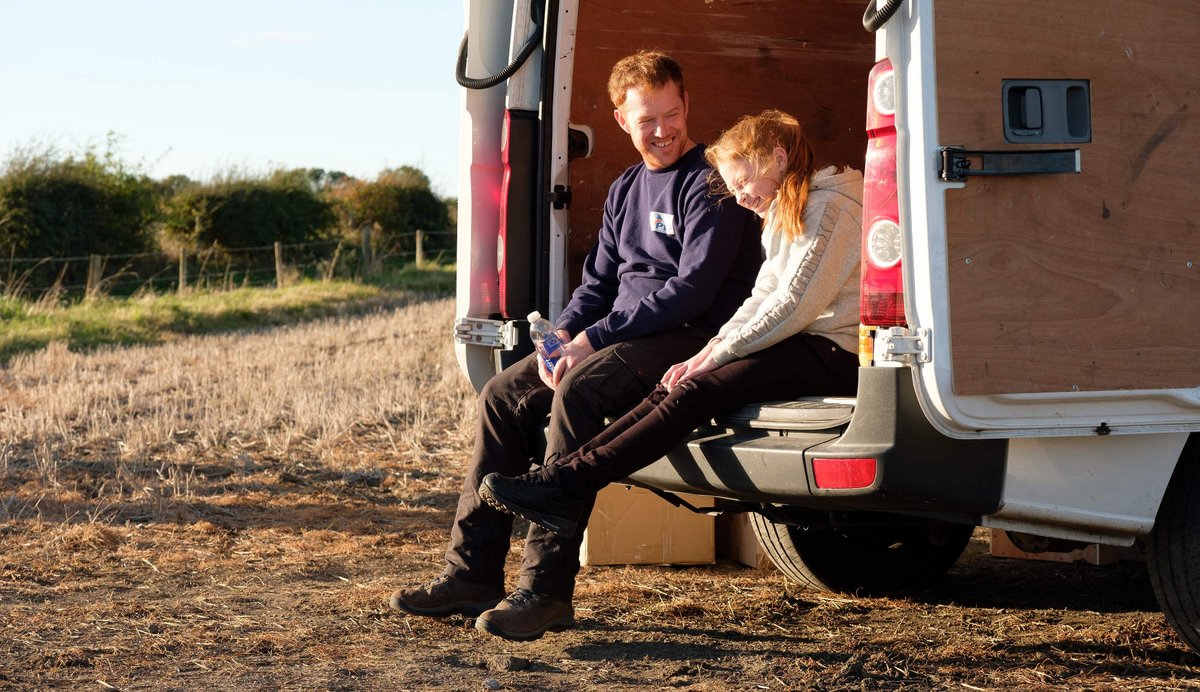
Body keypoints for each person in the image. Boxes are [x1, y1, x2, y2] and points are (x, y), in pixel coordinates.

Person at [389, 51, 762, 642]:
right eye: (647, 120)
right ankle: (471, 573)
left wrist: (593, 340)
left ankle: (545, 590)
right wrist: (562, 334)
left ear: (687, 104)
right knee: (501, 395)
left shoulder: (711, 182)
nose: (662, 130)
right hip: (623, 333)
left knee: (580, 392)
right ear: (621, 120)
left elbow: (691, 292)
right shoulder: (626, 188)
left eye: (671, 114)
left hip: (691, 335)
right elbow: (598, 284)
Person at [479, 109, 863, 542]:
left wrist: (717, 354)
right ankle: (561, 479)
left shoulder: (830, 208)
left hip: (832, 349)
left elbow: (791, 305)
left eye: (742, 183)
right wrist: (711, 349)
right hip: (799, 341)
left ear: (777, 158)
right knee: (674, 384)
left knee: (696, 390)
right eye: (733, 188)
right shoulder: (786, 209)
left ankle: (563, 483)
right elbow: (762, 295)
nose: (740, 198)